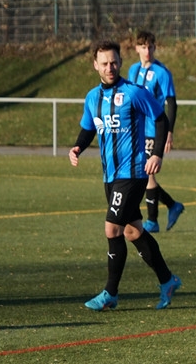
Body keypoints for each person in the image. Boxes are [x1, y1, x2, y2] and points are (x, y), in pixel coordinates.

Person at [68, 39, 182, 312]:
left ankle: (110, 293)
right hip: (110, 175)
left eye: (114, 62)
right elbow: (89, 128)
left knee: (112, 228)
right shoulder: (92, 97)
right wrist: (78, 147)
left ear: (120, 62)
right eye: (105, 63)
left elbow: (160, 118)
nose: (110, 67)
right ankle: (167, 280)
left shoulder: (134, 92)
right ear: (95, 65)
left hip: (133, 172)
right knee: (132, 231)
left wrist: (156, 154)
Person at [127, 30, 185, 233]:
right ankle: (172, 205)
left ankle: (152, 221)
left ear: (155, 48)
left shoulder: (162, 73)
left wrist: (169, 132)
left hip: (154, 130)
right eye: (143, 47)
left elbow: (172, 103)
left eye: (150, 47)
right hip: (137, 130)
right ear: (137, 48)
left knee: (147, 173)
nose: (147, 51)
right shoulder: (133, 70)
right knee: (141, 174)